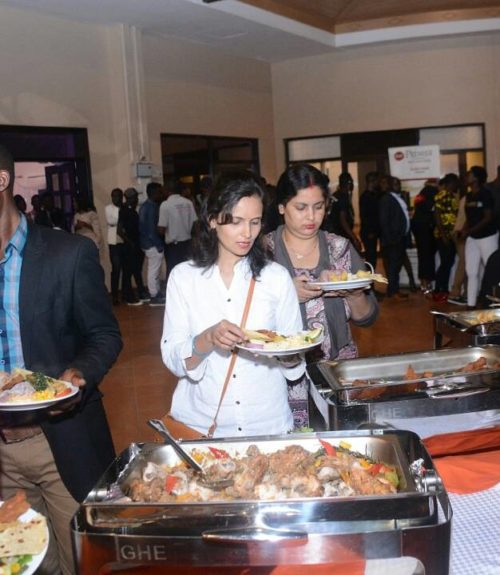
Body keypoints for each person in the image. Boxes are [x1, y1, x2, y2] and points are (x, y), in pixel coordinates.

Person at [0, 144, 122, 575]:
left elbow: (104, 335)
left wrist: (79, 374)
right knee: (22, 566)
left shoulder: (67, 254)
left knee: (83, 563)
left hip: (59, 443)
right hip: (2, 459)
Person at [161, 170, 305, 437]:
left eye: (255, 222)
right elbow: (174, 359)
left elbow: (294, 366)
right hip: (201, 425)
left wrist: (284, 349)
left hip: (266, 423)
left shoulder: (276, 278)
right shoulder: (184, 278)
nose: (247, 233)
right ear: (212, 219)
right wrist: (207, 339)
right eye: (236, 222)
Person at [266, 164, 378, 427]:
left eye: (318, 207)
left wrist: (354, 294)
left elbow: (367, 317)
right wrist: (286, 294)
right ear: (281, 207)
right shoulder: (263, 253)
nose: (311, 216)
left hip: (336, 371)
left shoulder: (340, 249)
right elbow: (245, 319)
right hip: (277, 375)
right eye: (301, 207)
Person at [458, 166, 499, 307]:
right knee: (471, 272)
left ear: (476, 178)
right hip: (472, 238)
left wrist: (469, 231)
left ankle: (493, 303)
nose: (466, 176)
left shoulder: (486, 194)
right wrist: (463, 230)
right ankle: (471, 304)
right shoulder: (469, 196)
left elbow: (488, 218)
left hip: (488, 237)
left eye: (469, 174)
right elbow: (469, 218)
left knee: (492, 271)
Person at [158, 178, 198, 282]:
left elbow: (161, 229)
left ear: (167, 190)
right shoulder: (188, 202)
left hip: (173, 247)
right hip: (187, 244)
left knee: (173, 275)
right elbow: (195, 224)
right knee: (188, 273)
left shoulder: (165, 205)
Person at [379, 175, 411, 298]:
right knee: (393, 266)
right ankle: (392, 292)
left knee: (396, 266)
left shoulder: (399, 197)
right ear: (390, 186)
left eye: (399, 184)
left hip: (400, 238)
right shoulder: (386, 199)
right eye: (396, 184)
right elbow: (384, 221)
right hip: (393, 239)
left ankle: (394, 290)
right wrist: (390, 239)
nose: (399, 186)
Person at [120, 187, 149, 305]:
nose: (137, 199)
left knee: (137, 270)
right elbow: (119, 230)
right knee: (129, 271)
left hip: (136, 244)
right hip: (130, 245)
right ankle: (128, 296)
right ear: (130, 198)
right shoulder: (124, 210)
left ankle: (141, 292)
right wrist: (129, 242)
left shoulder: (132, 210)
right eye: (135, 197)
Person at [433, 174, 460, 302]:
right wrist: (443, 235)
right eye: (455, 183)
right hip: (443, 235)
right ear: (450, 183)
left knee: (448, 262)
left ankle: (443, 289)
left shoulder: (453, 196)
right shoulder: (441, 195)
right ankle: (439, 289)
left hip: (451, 234)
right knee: (445, 262)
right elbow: (437, 216)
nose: (457, 185)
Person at [139, 182, 165, 306]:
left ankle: (156, 292)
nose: (161, 194)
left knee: (154, 270)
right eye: (160, 192)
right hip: (152, 244)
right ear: (154, 193)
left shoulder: (146, 206)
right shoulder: (151, 207)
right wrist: (159, 245)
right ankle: (154, 295)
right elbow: (151, 230)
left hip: (147, 243)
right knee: (153, 270)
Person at [324, 172, 362, 253]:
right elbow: (343, 220)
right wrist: (354, 238)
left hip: (335, 233)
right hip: (340, 233)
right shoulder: (342, 197)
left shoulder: (336, 195)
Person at [411, 184, 437, 295]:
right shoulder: (429, 202)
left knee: (423, 257)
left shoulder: (420, 201)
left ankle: (424, 283)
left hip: (420, 231)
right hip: (426, 232)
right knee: (427, 258)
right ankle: (427, 284)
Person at [105, 188, 125, 305]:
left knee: (126, 269)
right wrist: (121, 212)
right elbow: (111, 221)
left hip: (125, 242)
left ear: (121, 197)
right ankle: (114, 296)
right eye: (113, 196)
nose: (115, 198)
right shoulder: (109, 208)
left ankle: (125, 294)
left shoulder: (124, 208)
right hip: (114, 242)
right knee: (116, 269)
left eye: (117, 196)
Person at [359, 171, 380, 271]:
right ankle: (369, 278)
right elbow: (365, 216)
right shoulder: (366, 197)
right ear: (372, 181)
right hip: (369, 232)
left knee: (372, 257)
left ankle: (371, 277)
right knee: (371, 257)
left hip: (371, 231)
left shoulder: (372, 195)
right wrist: (370, 231)